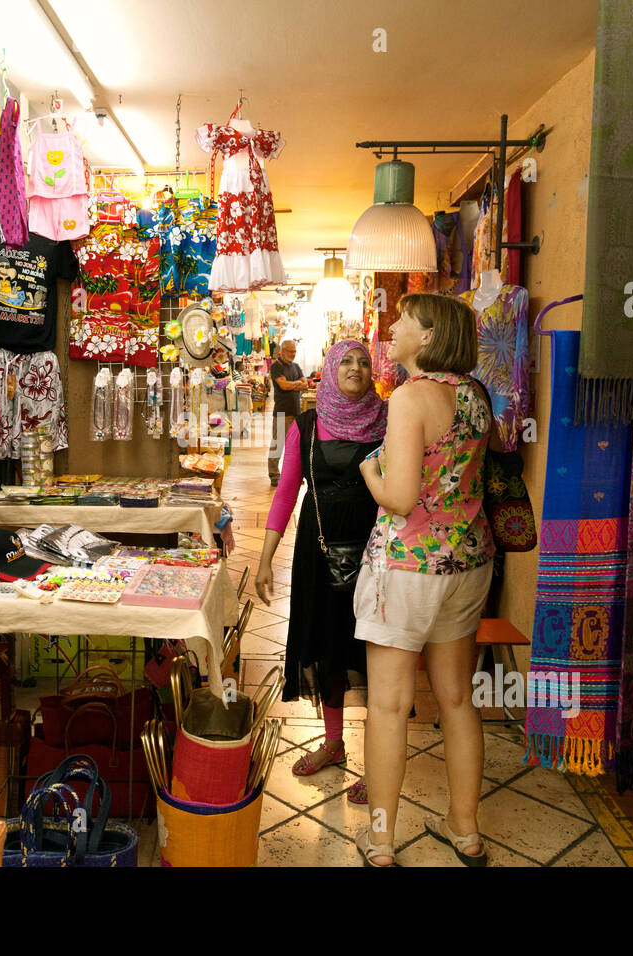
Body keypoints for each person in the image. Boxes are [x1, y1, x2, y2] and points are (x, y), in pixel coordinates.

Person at [353, 293, 496, 867]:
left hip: (409, 570)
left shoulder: (412, 397)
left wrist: (369, 469)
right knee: (457, 699)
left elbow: (402, 497)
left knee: (389, 705)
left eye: (405, 321)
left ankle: (382, 842)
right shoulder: (476, 397)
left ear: (429, 338)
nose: (392, 327)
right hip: (468, 562)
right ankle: (465, 831)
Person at [256, 341, 386, 783]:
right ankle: (333, 743)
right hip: (320, 550)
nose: (356, 368)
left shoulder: (389, 423)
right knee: (330, 645)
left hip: (377, 554)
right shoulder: (307, 426)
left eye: (364, 362)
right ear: (330, 370)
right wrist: (264, 559)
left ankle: (379, 764)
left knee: (376, 651)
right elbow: (286, 492)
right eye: (346, 361)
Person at [268, 339, 306, 485]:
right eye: (290, 351)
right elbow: (283, 386)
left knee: (295, 445)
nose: (293, 354)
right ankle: (274, 475)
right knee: (277, 444)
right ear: (282, 351)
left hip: (296, 411)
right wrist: (296, 384)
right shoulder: (276, 366)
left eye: (294, 351)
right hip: (282, 411)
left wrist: (294, 384)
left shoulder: (296, 366)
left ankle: (292, 475)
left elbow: (305, 384)